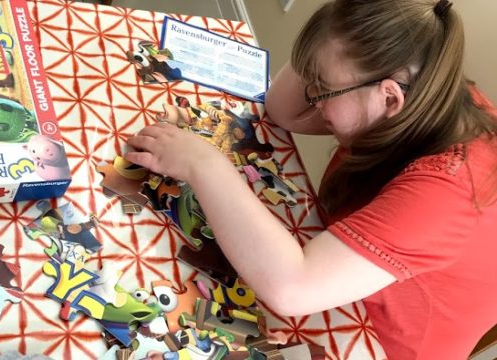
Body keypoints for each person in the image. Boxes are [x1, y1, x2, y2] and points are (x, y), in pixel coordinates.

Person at [123, 0, 497, 359]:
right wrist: (330, 38)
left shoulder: (447, 193)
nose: (312, 98)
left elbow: (292, 287)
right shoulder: (421, 89)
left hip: (378, 341)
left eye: (323, 87)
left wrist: (203, 164)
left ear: (389, 99)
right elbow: (282, 109)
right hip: (329, 277)